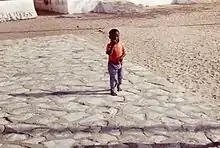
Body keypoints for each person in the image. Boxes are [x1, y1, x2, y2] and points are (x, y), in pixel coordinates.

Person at [106, 29, 126, 96]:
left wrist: (121, 57)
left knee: (120, 77)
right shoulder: (109, 45)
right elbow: (109, 53)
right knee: (113, 77)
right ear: (109, 37)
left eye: (117, 36)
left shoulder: (121, 44)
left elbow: (124, 52)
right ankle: (113, 90)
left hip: (120, 63)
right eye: (113, 36)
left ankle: (118, 85)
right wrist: (112, 46)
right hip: (112, 64)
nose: (115, 38)